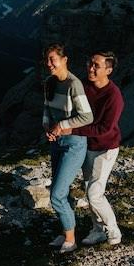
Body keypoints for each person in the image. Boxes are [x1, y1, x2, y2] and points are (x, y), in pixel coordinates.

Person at [50, 51, 124, 246]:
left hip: (105, 148)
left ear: (108, 70)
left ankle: (113, 229)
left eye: (96, 66)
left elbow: (104, 128)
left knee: (94, 193)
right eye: (90, 63)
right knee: (89, 188)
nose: (90, 68)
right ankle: (97, 229)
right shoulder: (83, 85)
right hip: (88, 145)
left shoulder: (114, 97)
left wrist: (71, 129)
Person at [42, 43, 93, 253]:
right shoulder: (49, 82)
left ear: (65, 60)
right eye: (47, 60)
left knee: (56, 194)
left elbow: (87, 116)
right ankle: (66, 230)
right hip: (57, 143)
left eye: (53, 59)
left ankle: (71, 241)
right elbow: (47, 107)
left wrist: (60, 126)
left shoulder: (74, 85)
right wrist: (47, 126)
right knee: (63, 191)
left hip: (74, 144)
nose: (49, 64)